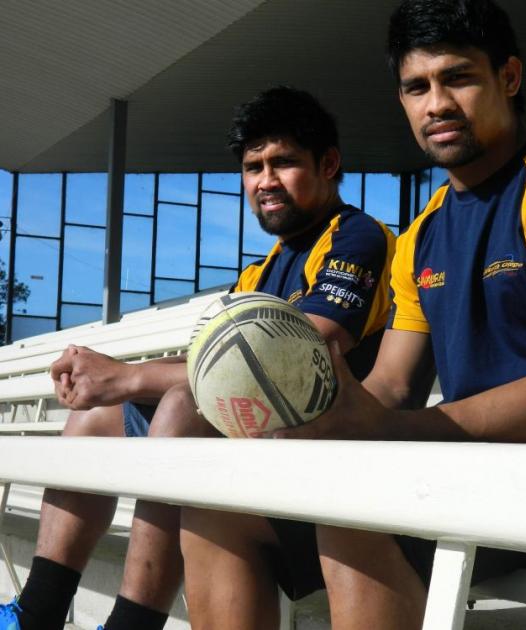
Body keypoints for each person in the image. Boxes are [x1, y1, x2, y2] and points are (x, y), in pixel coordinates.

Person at [258, 1, 526, 628]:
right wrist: (328, 418)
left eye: (458, 77)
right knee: (224, 506)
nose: (436, 105)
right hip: (476, 475)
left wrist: (382, 431)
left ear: (508, 78)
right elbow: (394, 384)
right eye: (416, 87)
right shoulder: (422, 233)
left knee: (351, 516)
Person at [0, 86, 395, 630]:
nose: (265, 181)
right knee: (96, 414)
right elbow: (214, 362)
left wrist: (128, 375)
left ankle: (132, 624)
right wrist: (112, 384)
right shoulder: (261, 270)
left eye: (283, 162)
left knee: (184, 405)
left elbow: (298, 350)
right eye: (253, 167)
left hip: (328, 463)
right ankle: (36, 612)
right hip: (261, 449)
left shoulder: (356, 237)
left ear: (328, 164)